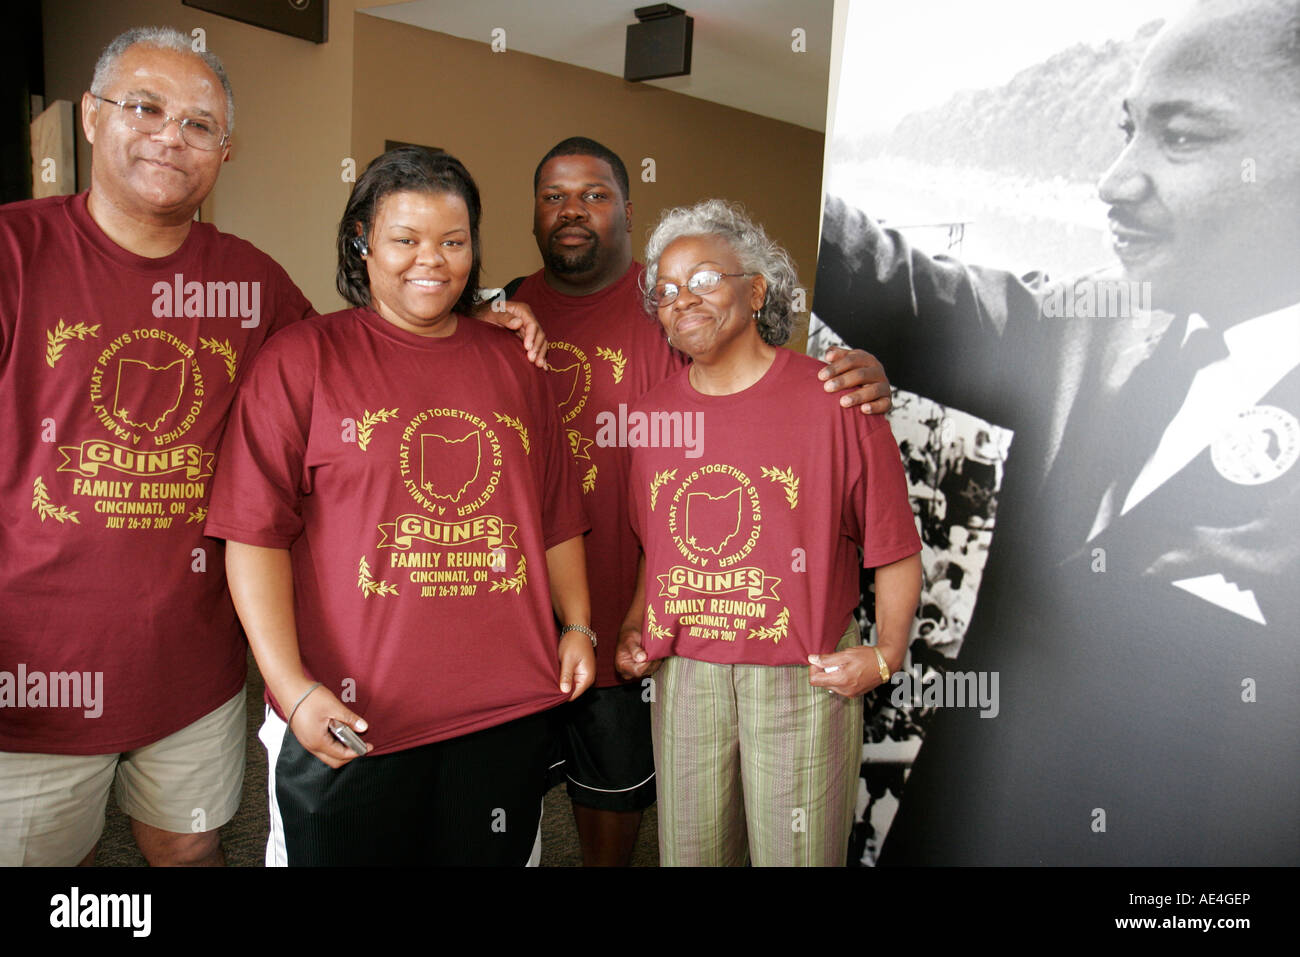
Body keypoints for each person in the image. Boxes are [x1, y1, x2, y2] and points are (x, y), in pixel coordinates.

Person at [812, 0, 1299, 864]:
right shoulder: (1092, 322)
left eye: (1181, 139)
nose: (1114, 180)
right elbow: (890, 279)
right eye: (1126, 130)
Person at [505, 137, 897, 865]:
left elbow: (764, 386)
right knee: (518, 811)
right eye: (554, 195)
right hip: (534, 620)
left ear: (627, 208)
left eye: (594, 194)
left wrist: (865, 380)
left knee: (621, 807)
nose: (572, 210)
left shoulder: (682, 317)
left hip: (686, 635)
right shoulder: (502, 312)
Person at [205, 147, 594, 866]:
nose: (433, 261)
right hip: (350, 720)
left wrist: (577, 624)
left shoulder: (517, 364)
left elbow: (556, 514)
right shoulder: (300, 360)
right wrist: (291, 690)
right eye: (406, 239)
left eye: (453, 240)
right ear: (363, 240)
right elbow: (251, 537)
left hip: (502, 712)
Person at [0, 26, 315, 867]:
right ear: (95, 119)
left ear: (226, 151)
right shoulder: (13, 254)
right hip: (28, 680)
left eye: (200, 124)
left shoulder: (254, 284)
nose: (171, 135)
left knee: (190, 850)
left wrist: (489, 324)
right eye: (145, 107)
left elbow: (359, 380)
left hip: (193, 677)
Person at [615, 199, 922, 866]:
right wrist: (634, 627)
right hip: (686, 678)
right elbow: (655, 551)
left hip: (801, 680)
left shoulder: (838, 399)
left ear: (755, 289)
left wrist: (885, 653)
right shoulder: (649, 418)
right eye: (665, 290)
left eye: (703, 279)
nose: (681, 299)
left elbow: (894, 546)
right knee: (690, 854)